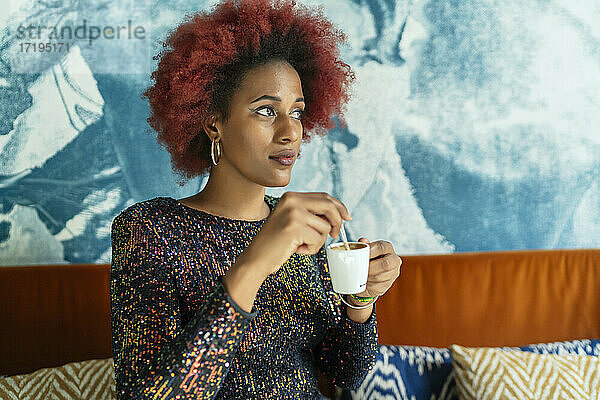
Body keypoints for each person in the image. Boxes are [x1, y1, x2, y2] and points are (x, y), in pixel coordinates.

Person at [109, 0, 402, 398]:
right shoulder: (150, 230)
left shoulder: (301, 228)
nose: (290, 132)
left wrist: (361, 299)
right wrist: (256, 261)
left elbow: (344, 373)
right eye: (266, 111)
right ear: (213, 122)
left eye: (297, 113)